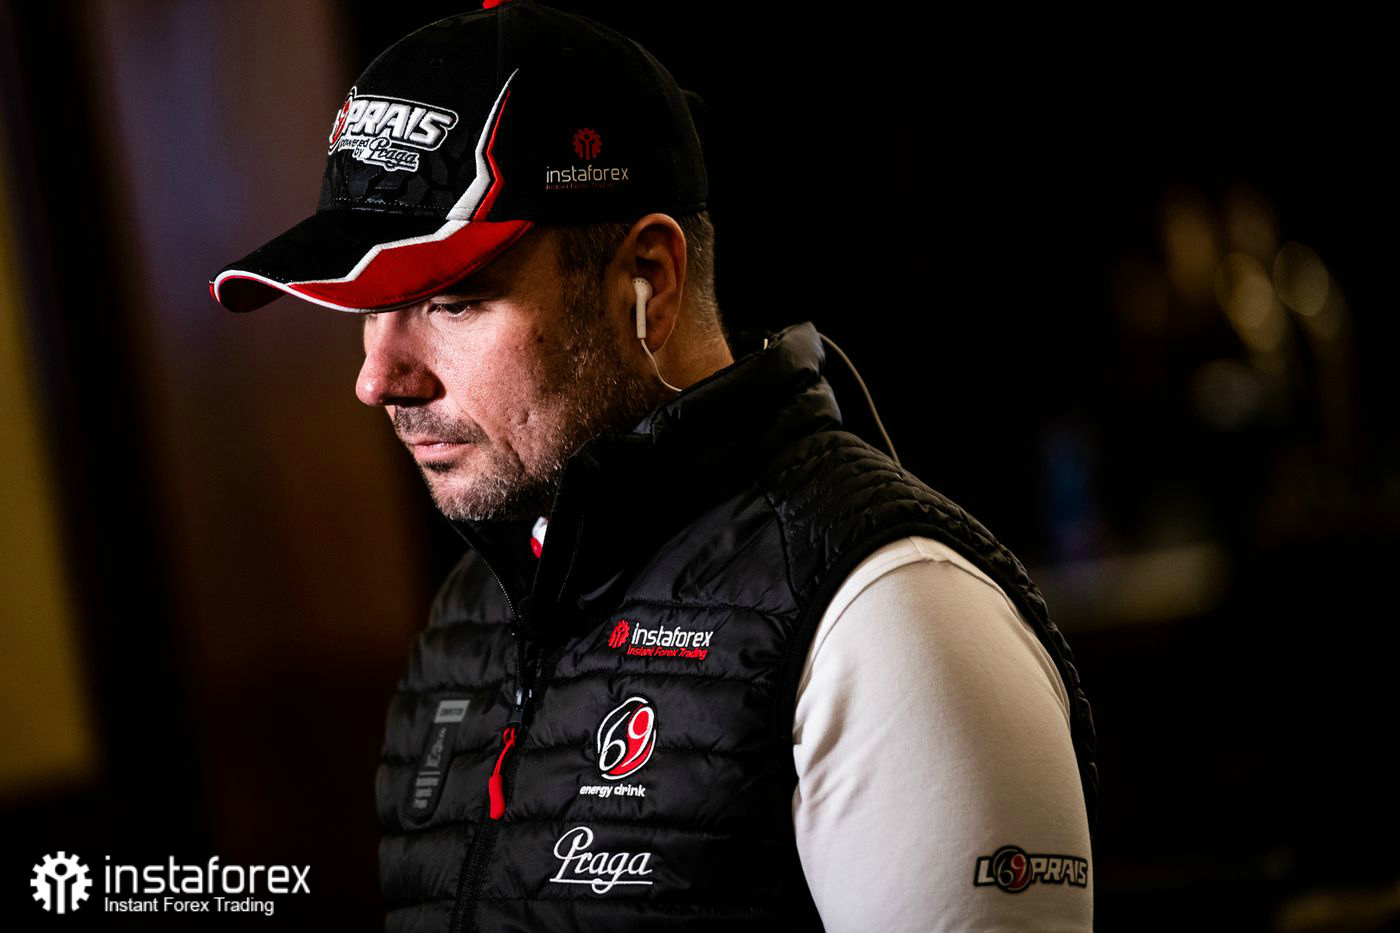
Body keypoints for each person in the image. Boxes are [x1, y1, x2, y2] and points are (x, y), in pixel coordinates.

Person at [209, 2, 1098, 930]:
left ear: (649, 280)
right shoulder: (471, 613)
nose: (377, 377)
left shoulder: (886, 615)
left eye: (453, 301)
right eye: (368, 306)